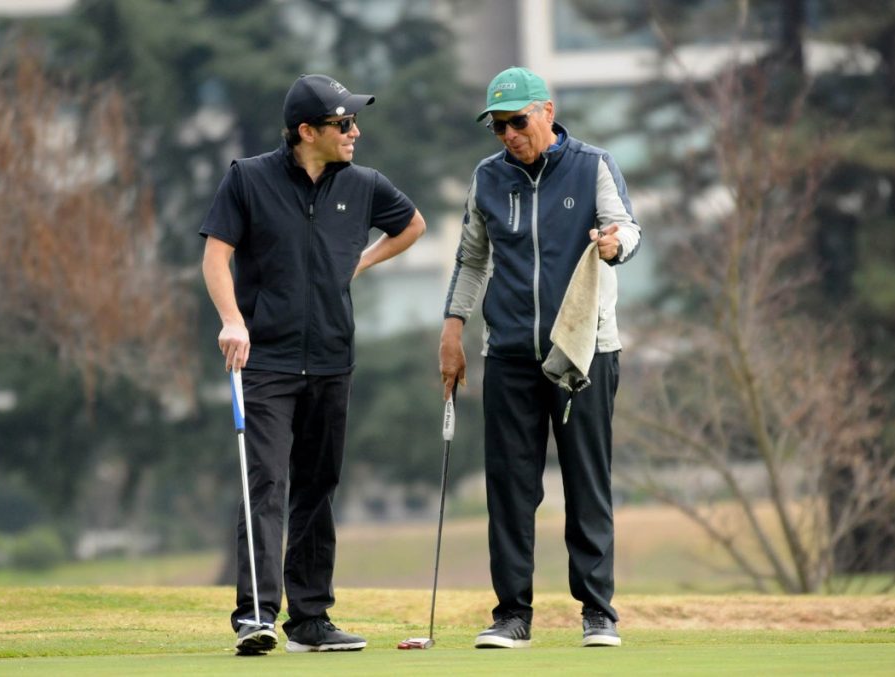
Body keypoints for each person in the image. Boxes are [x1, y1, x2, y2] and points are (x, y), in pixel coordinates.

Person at [200, 73, 425, 655]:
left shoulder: (365, 185)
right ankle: (256, 615)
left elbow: (412, 226)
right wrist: (232, 320)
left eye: (353, 122)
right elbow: (216, 256)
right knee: (267, 483)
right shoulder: (248, 179)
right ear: (307, 131)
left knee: (317, 488)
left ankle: (310, 620)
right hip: (266, 361)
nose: (355, 132)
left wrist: (360, 263)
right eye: (343, 123)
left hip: (331, 358)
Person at [439, 66, 641, 649]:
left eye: (517, 121)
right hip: (508, 353)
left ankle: (598, 612)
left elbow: (627, 230)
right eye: (498, 126)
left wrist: (613, 245)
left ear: (547, 112)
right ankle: (512, 616)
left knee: (586, 482)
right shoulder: (487, 177)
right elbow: (471, 260)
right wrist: (452, 330)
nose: (508, 134)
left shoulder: (592, 165)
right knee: (510, 488)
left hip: (583, 351)